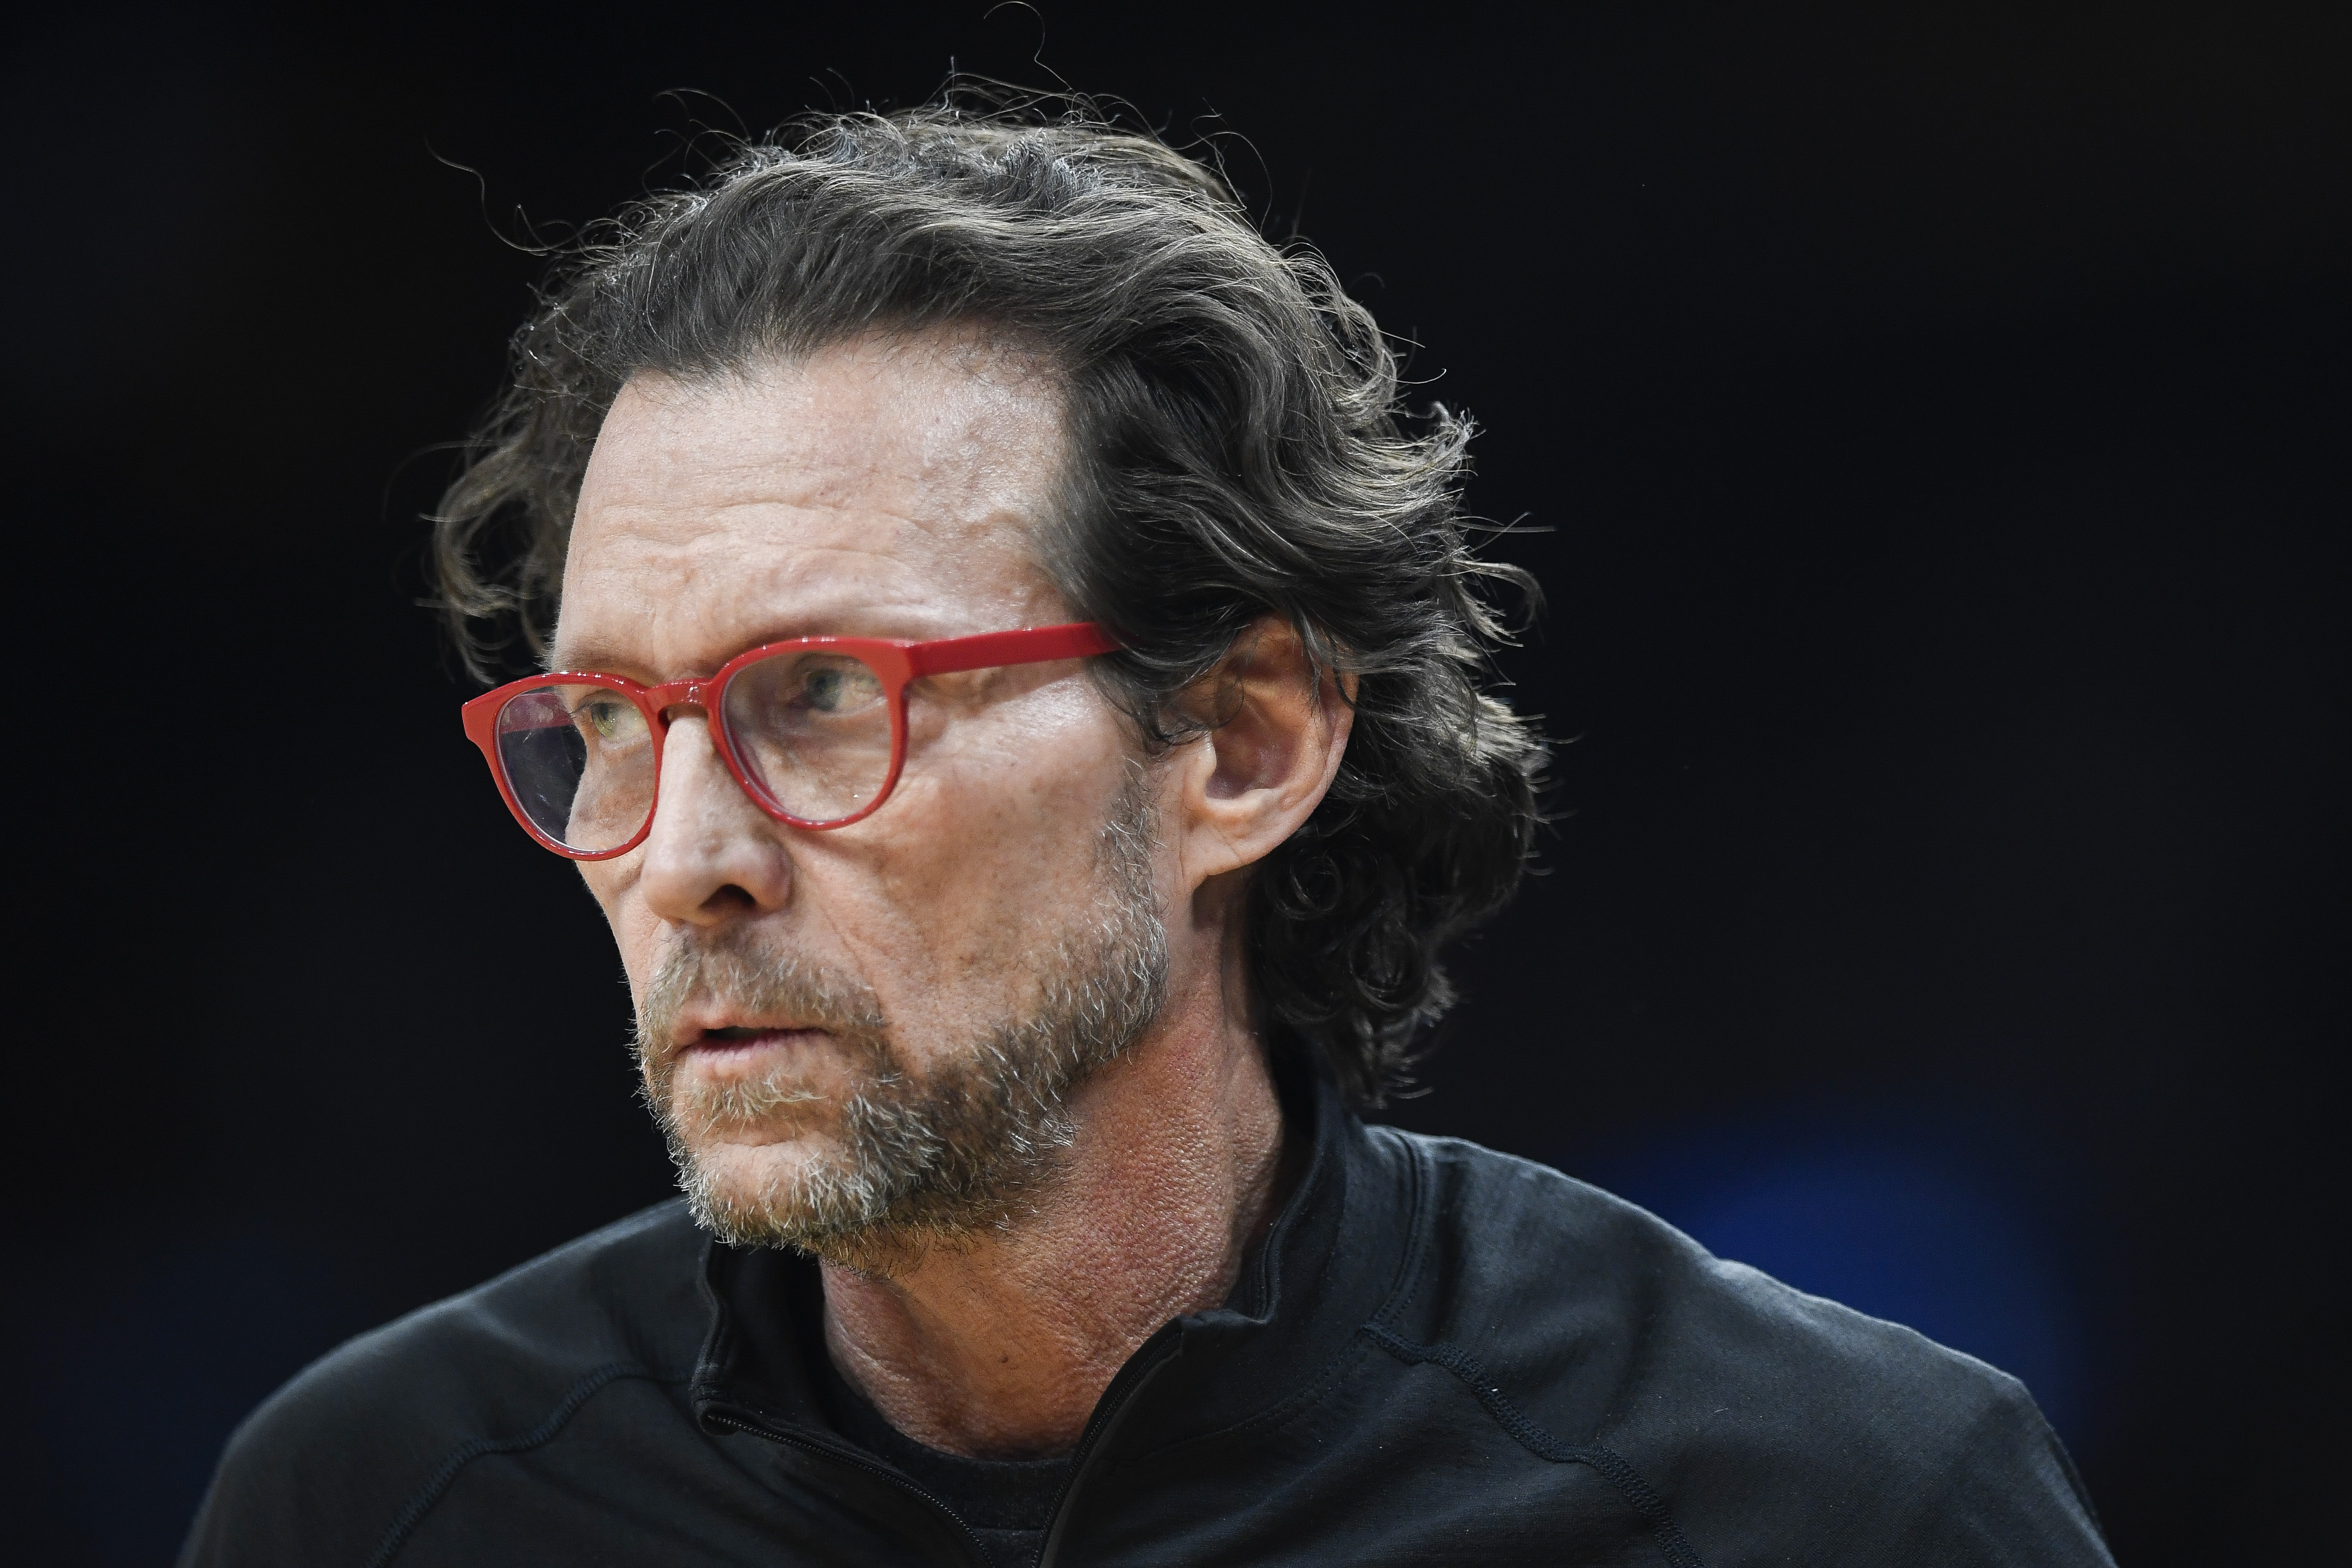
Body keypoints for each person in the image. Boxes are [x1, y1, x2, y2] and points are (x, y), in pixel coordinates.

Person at [181, 102, 2111, 1567]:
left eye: (824, 693)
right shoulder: (376, 1501)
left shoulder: (1831, 1505)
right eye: (611, 721)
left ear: (1243, 743)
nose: (684, 855)